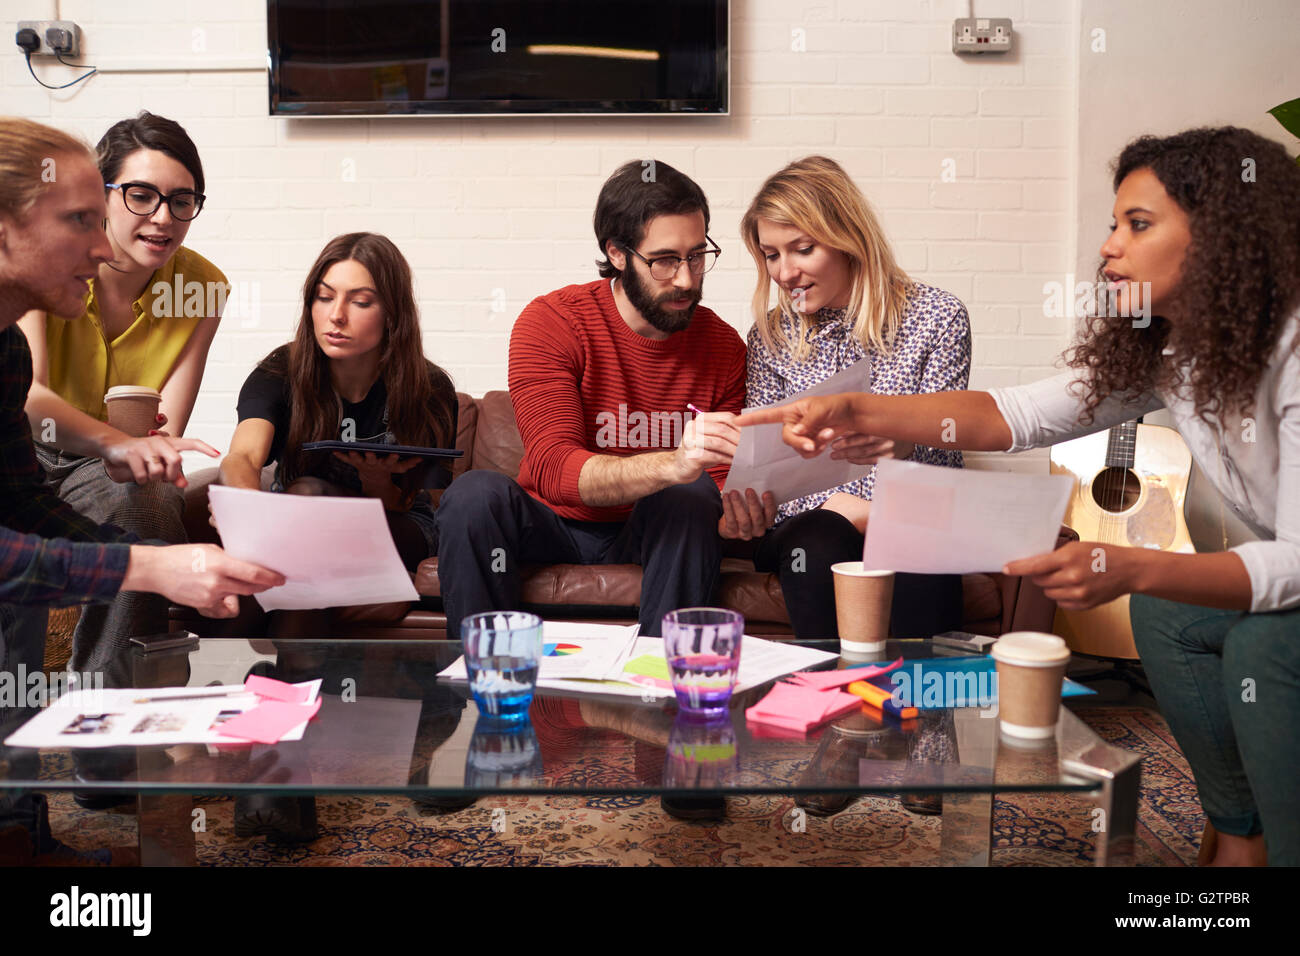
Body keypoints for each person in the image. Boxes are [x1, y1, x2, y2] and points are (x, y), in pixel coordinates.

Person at [736, 127, 1300, 866]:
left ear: (1224, 238)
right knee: (1168, 616)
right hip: (825, 521)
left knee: (1254, 637)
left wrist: (1128, 567)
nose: (1107, 248)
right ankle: (1238, 831)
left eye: (1137, 224)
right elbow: (1019, 414)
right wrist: (861, 413)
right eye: (1112, 224)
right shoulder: (1174, 350)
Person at [0, 117, 282, 864]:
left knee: (149, 503)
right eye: (84, 220)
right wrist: (153, 564)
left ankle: (41, 803)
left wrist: (157, 543)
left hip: (79, 471)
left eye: (183, 201)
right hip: (60, 448)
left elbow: (26, 500)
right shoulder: (28, 309)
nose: (105, 245)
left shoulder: (7, 344)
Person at [434, 159, 747, 642]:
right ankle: (487, 686)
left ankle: (660, 684)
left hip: (652, 531)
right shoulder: (553, 322)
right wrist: (675, 462)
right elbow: (557, 471)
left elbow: (721, 491)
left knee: (692, 494)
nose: (686, 279)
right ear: (618, 254)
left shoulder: (724, 347)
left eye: (696, 255)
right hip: (550, 524)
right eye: (664, 260)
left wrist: (745, 509)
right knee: (473, 495)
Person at [17, 111, 228, 688]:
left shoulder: (201, 287)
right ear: (102, 195)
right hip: (22, 451)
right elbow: (25, 397)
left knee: (149, 496)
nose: (163, 218)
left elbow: (163, 435)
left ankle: (111, 720)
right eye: (141, 196)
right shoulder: (51, 262)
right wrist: (117, 440)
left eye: (183, 201)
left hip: (100, 467)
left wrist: (143, 452)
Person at [731, 155, 971, 642]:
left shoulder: (937, 317)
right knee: (820, 537)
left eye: (802, 249)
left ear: (848, 238)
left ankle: (920, 712)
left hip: (911, 513)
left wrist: (900, 443)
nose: (785, 272)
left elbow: (948, 442)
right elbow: (765, 467)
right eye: (771, 255)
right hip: (805, 525)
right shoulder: (770, 337)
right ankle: (826, 702)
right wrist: (839, 506)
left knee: (913, 539)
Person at [220, 232, 458, 576]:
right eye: (324, 297)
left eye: (360, 302)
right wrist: (246, 507)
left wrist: (375, 483)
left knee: (308, 509)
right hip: (300, 518)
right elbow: (242, 456)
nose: (336, 315)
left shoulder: (429, 387)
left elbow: (415, 502)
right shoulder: (281, 371)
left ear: (392, 313)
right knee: (308, 497)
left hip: (396, 522)